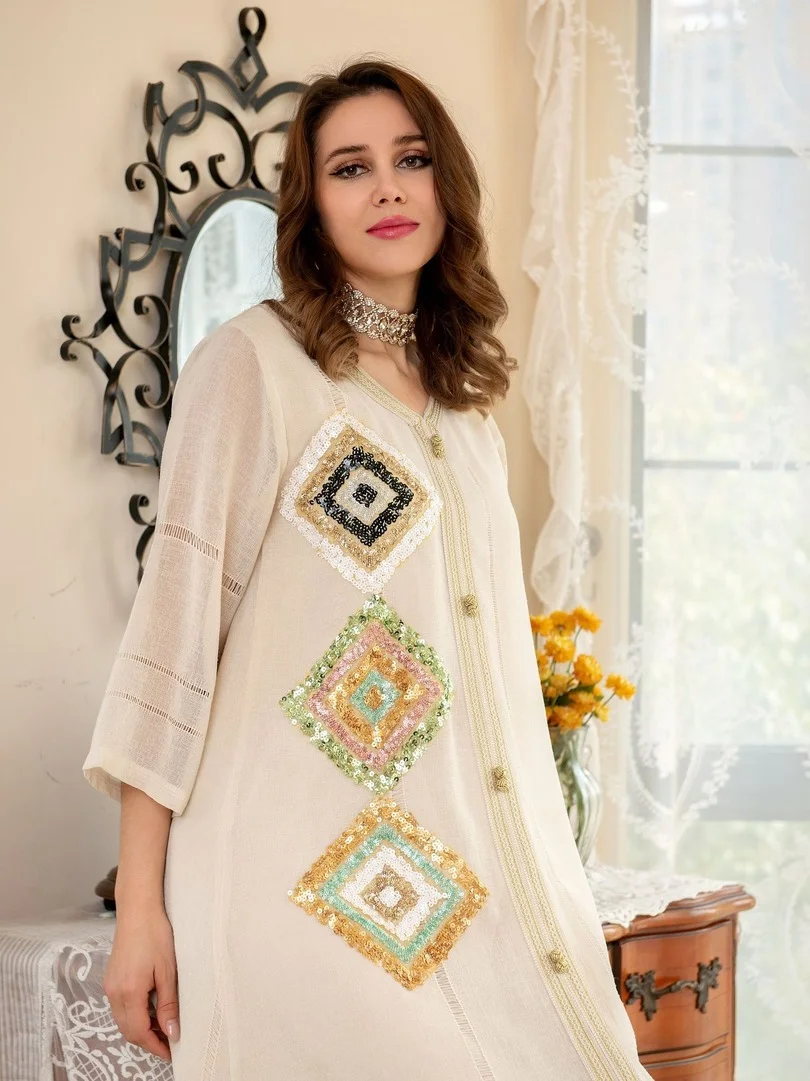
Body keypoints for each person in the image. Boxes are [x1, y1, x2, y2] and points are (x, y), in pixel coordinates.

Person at [83, 58, 652, 1081]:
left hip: (468, 896)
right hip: (295, 900)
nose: (387, 187)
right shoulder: (252, 366)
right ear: (313, 205)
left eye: (411, 159)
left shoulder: (467, 413)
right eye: (350, 168)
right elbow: (172, 641)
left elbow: (494, 684)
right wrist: (140, 911)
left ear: (446, 185)